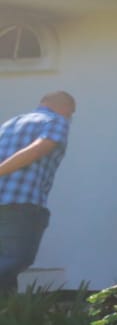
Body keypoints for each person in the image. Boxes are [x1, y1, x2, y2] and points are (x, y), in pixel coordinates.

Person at [0, 91, 75, 293]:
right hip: (21, 203)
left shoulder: (9, 124)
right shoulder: (56, 120)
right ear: (66, 108)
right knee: (16, 258)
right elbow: (38, 149)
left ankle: (7, 319)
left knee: (6, 271)